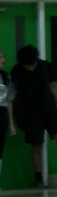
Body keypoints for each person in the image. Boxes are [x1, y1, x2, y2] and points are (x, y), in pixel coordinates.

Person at [9, 45, 57, 187]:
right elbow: (13, 95)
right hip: (30, 112)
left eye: (32, 65)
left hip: (49, 107)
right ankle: (38, 179)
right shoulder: (16, 71)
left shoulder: (45, 66)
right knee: (36, 145)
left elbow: (51, 86)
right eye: (27, 66)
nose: (30, 68)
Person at [0, 51, 15, 179]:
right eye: (0, 57)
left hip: (2, 113)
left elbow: (9, 101)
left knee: (0, 147)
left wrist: (11, 124)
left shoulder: (6, 77)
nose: (3, 59)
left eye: (3, 56)